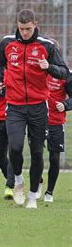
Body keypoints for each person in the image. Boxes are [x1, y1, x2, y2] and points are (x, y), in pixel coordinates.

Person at [0, 9, 69, 208]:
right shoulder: (7, 43)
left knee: (37, 152)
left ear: (35, 24)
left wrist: (49, 67)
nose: (25, 33)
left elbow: (64, 72)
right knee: (16, 147)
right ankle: (18, 180)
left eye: (28, 29)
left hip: (38, 106)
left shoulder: (47, 46)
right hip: (15, 105)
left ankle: (34, 195)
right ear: (17, 25)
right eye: (21, 29)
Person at [43, 40, 72, 202]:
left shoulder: (65, 74)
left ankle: (49, 192)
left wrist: (65, 105)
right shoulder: (38, 71)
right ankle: (37, 183)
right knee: (36, 154)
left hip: (56, 121)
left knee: (54, 157)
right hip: (37, 120)